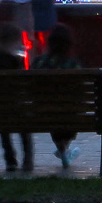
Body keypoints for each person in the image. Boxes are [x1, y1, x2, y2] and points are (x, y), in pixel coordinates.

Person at [0, 22, 33, 171]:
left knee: (3, 118)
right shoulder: (15, 61)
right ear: (13, 41)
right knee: (22, 120)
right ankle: (28, 158)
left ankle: (10, 159)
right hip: (15, 107)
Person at [33, 22, 84, 167]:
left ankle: (63, 149)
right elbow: (80, 93)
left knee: (51, 110)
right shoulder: (73, 64)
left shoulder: (39, 62)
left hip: (42, 113)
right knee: (68, 111)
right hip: (70, 114)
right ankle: (63, 149)